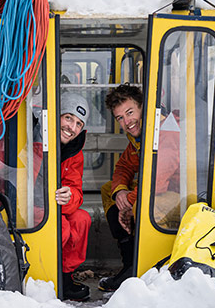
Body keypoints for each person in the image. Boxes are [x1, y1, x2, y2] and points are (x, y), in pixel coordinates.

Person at [98, 83, 144, 292]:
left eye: (130, 112)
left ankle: (136, 265)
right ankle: (129, 261)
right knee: (109, 189)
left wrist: (129, 203)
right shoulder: (135, 140)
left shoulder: (165, 130)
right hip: (154, 188)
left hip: (173, 194)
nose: (127, 122)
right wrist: (120, 191)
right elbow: (124, 166)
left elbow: (159, 179)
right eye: (120, 118)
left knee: (136, 205)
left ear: (142, 107)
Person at [57, 92, 92, 301]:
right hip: (30, 206)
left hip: (56, 206)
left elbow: (76, 190)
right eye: (68, 117)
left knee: (81, 219)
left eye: (79, 124)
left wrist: (69, 197)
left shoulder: (75, 151)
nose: (72, 127)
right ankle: (43, 273)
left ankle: (64, 276)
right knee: (61, 227)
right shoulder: (33, 137)